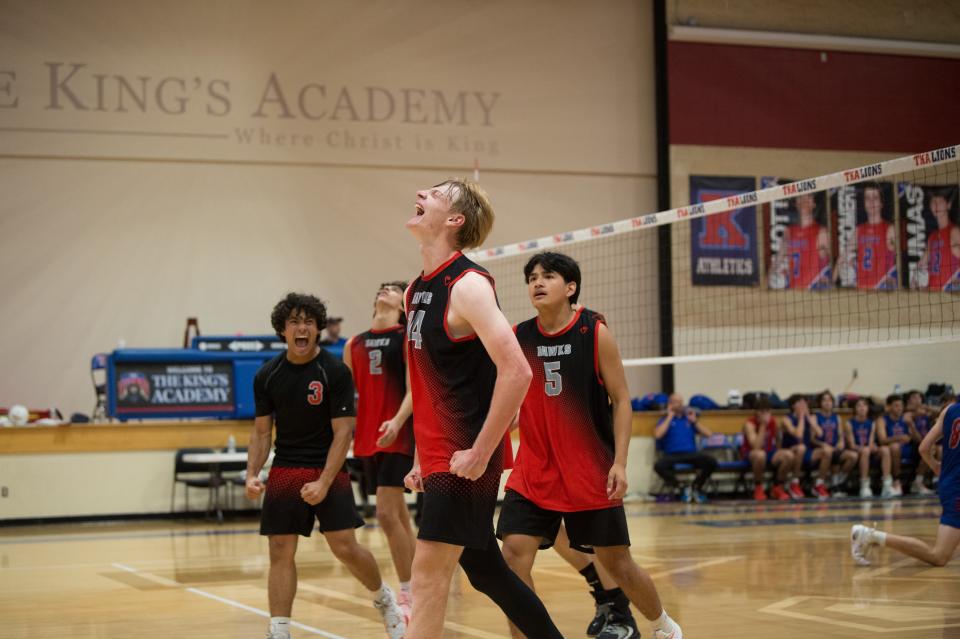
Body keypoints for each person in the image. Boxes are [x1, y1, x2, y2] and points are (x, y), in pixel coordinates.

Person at [401, 179, 563, 639]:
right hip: (440, 455)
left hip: (465, 458)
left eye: (434, 193)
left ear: (455, 220)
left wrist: (478, 452)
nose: (421, 194)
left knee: (428, 576)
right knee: (485, 569)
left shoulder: (469, 285)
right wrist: (419, 455)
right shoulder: (415, 290)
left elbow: (518, 372)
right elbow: (426, 381)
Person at [497, 251, 682, 639]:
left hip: (589, 469)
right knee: (512, 556)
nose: (537, 283)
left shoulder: (594, 333)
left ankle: (664, 627)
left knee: (617, 564)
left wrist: (620, 462)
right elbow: (515, 395)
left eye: (547, 276)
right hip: (535, 470)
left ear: (571, 287)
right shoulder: (519, 336)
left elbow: (623, 400)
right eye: (531, 277)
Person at [244, 293, 406, 639]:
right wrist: (252, 473)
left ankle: (384, 600)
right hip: (286, 467)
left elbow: (343, 432)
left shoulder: (334, 371)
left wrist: (323, 482)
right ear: (282, 330)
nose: (301, 328)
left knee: (344, 546)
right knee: (279, 548)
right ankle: (279, 630)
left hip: (326, 466)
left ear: (318, 329)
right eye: (294, 322)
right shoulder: (267, 375)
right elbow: (260, 432)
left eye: (308, 322)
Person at [343, 281, 416, 620]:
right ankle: (420, 585)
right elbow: (346, 398)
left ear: (404, 304)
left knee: (386, 514)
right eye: (381, 287)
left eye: (392, 289)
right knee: (398, 514)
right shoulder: (354, 343)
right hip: (368, 439)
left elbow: (415, 388)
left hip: (398, 434)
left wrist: (398, 422)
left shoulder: (406, 337)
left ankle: (408, 593)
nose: (384, 290)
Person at [851, 401, 960, 566]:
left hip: (949, 483)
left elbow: (924, 448)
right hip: (957, 490)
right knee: (939, 556)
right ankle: (869, 535)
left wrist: (936, 467)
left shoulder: (950, 410)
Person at [654, 393, 718, 503]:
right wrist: (670, 416)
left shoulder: (688, 419)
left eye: (680, 402)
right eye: (675, 402)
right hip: (672, 454)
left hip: (691, 453)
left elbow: (709, 434)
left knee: (712, 462)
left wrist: (695, 421)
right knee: (658, 466)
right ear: (669, 404)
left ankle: (696, 487)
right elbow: (658, 435)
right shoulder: (664, 420)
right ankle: (681, 487)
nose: (678, 405)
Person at [775, 193, 831, 290]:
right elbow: (778, 260)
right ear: (796, 203)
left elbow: (831, 262)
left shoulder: (822, 232)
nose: (804, 200)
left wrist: (829, 279)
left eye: (808, 197)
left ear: (814, 204)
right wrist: (766, 280)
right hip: (792, 292)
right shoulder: (788, 232)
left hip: (812, 293)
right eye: (800, 197)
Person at [807, 391, 857, 497]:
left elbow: (840, 435)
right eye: (824, 400)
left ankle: (836, 482)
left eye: (829, 400)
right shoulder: (815, 417)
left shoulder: (837, 417)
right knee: (828, 451)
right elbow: (812, 439)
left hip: (835, 449)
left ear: (833, 403)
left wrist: (841, 442)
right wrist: (823, 445)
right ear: (820, 403)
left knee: (853, 456)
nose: (827, 402)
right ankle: (819, 485)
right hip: (820, 450)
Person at [741, 398, 793, 500]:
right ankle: (758, 487)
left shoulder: (773, 421)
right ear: (756, 412)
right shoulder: (749, 424)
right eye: (762, 411)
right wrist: (763, 425)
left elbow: (778, 438)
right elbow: (756, 446)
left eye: (767, 411)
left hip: (768, 451)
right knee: (760, 455)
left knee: (789, 455)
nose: (765, 414)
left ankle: (777, 486)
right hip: (751, 454)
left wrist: (778, 450)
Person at [843, 397, 892, 498]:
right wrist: (867, 448)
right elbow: (852, 445)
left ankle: (887, 485)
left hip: (869, 450)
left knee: (885, 449)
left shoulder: (872, 423)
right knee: (865, 450)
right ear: (855, 409)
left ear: (868, 408)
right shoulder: (849, 423)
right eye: (859, 405)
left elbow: (870, 441)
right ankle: (864, 485)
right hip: (857, 452)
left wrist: (872, 447)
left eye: (864, 405)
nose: (862, 408)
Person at [855, 183, 897, 290]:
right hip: (861, 288)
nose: (871, 202)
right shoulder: (859, 230)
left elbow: (899, 258)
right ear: (864, 203)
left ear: (881, 203)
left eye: (875, 198)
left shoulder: (890, 229)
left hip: (882, 288)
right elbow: (844, 257)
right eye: (867, 198)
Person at [915, 191, 960, 291]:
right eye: (933, 202)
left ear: (948, 205)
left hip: (949, 295)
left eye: (940, 201)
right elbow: (920, 266)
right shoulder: (933, 236)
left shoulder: (954, 231)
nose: (936, 205)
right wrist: (916, 279)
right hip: (933, 295)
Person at [876, 393, 912, 497]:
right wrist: (899, 438)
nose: (899, 408)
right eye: (896, 405)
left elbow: (914, 438)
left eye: (901, 405)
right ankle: (896, 480)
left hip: (907, 449)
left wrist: (911, 425)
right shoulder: (882, 420)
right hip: (890, 451)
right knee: (894, 447)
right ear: (888, 407)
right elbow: (882, 440)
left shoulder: (906, 419)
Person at [905, 389, 937, 495]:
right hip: (912, 444)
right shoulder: (908, 414)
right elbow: (916, 438)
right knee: (929, 448)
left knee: (939, 449)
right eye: (914, 397)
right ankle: (918, 482)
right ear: (908, 401)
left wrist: (925, 407)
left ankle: (936, 480)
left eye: (919, 397)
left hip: (924, 442)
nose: (917, 400)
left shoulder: (925, 412)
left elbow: (941, 411)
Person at [781, 395, 813, 498]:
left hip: (807, 450)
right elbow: (798, 434)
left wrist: (808, 417)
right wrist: (802, 417)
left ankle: (820, 484)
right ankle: (794, 482)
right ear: (793, 405)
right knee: (801, 448)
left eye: (804, 403)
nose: (803, 406)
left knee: (827, 451)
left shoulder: (809, 417)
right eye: (800, 403)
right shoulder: (786, 419)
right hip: (790, 450)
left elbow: (819, 433)